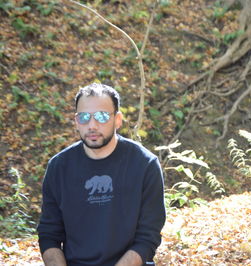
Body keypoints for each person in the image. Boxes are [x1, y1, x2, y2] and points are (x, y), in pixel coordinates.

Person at [37, 83, 166, 266]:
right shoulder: (59, 167)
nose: (92, 125)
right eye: (84, 117)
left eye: (102, 116)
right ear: (76, 121)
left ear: (118, 119)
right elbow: (49, 234)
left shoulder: (145, 165)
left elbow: (148, 237)